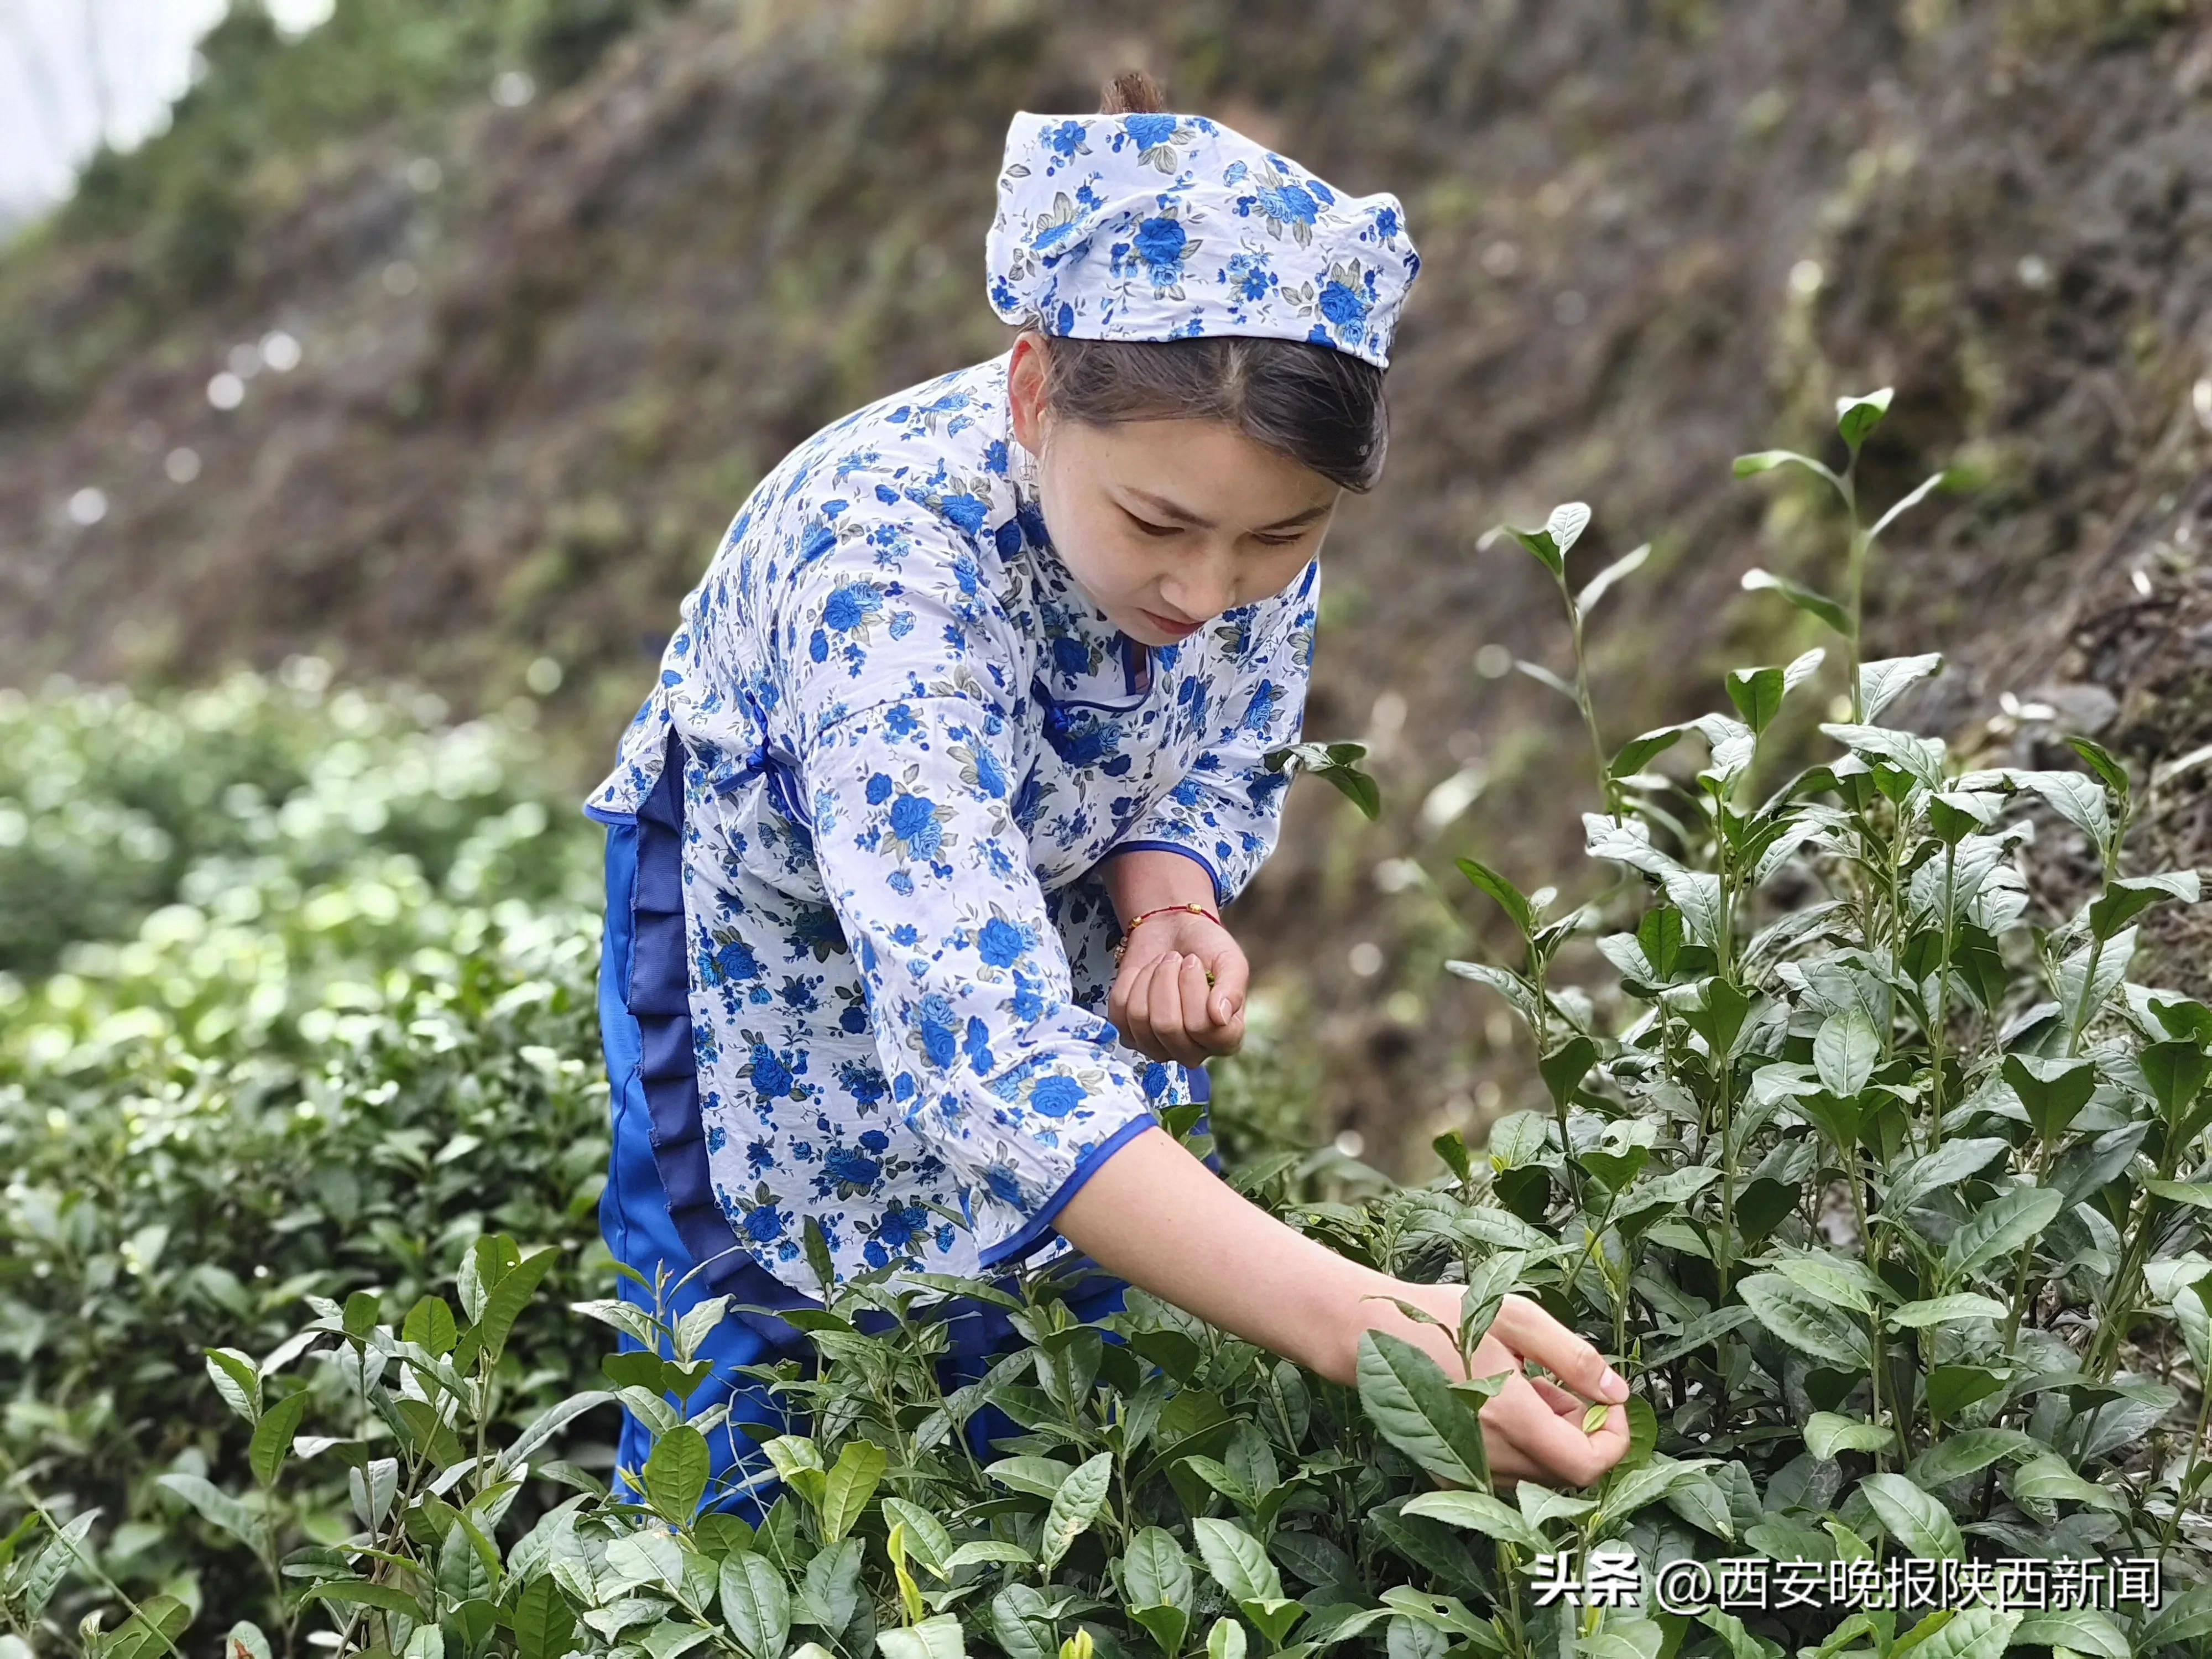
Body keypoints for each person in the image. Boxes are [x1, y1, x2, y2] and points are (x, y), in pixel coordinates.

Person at [586, 69, 1631, 1517]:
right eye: (1160, 525)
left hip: (1035, 898)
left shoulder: (1236, 503)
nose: (1211, 589)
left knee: (1058, 1354)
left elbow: (1223, 731)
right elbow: (986, 1041)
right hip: (774, 941)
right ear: (1032, 393)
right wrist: (1376, 1330)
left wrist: (1170, 896)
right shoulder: (881, 569)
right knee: (766, 1368)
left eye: (1282, 538)